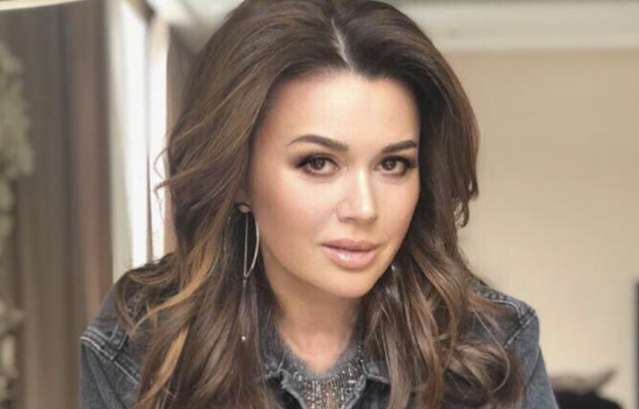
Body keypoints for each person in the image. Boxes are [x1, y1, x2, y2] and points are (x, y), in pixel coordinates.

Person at [79, 0, 559, 408]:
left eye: (393, 164)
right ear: (238, 176)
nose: (364, 208)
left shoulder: (492, 343)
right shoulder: (141, 343)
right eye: (318, 163)